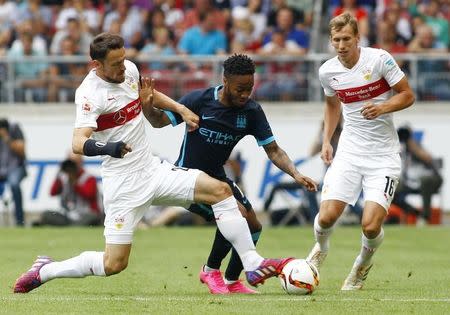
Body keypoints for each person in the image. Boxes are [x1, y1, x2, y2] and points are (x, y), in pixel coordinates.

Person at [13, 33, 294, 294]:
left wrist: (181, 108)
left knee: (222, 191)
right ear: (96, 64)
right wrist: (110, 147)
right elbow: (78, 142)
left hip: (152, 170)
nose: (123, 67)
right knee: (114, 264)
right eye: (115, 64)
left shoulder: (129, 70)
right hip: (122, 185)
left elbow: (146, 94)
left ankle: (252, 263)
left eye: (124, 59)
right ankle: (46, 270)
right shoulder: (89, 95)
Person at [146, 54, 318, 294]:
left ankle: (232, 281)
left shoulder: (251, 112)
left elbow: (274, 150)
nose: (245, 94)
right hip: (188, 181)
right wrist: (146, 104)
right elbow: (157, 121)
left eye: (249, 88)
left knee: (254, 225)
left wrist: (296, 174)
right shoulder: (200, 100)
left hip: (218, 179)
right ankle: (210, 270)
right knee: (235, 213)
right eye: (240, 89)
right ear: (225, 81)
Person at [305, 12, 415, 291]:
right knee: (327, 217)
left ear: (358, 39)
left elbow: (407, 94)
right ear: (331, 41)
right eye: (336, 40)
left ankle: (361, 266)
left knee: (369, 225)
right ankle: (320, 248)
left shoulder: (379, 60)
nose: (341, 45)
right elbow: (332, 106)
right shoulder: (328, 71)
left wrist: (383, 107)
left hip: (383, 157)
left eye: (346, 39)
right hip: (349, 153)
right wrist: (327, 140)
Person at [393, 125, 443, 226]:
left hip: (431, 179)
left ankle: (425, 217)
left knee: (425, 180)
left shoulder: (416, 146)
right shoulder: (402, 149)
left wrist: (411, 144)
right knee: (392, 188)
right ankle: (415, 212)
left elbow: (428, 158)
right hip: (412, 181)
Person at [32, 158, 103, 227]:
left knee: (92, 217)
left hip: (85, 214)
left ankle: (72, 226)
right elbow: (52, 193)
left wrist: (75, 184)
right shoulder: (63, 179)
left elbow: (89, 195)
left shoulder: (88, 178)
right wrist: (59, 176)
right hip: (68, 216)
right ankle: (73, 226)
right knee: (46, 214)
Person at [0, 118, 27, 226]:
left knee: (14, 184)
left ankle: (19, 221)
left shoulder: (15, 129)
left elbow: (22, 149)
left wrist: (7, 138)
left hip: (16, 168)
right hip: (1, 169)